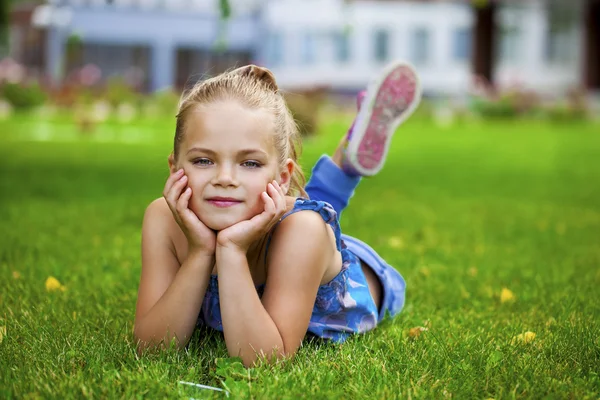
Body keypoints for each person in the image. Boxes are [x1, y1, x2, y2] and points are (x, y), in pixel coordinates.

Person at [134, 61, 422, 367]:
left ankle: (346, 162)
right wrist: (200, 252)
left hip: (344, 270)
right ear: (175, 168)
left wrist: (230, 250)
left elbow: (264, 360)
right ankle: (346, 160)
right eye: (204, 161)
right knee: (293, 211)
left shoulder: (302, 233)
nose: (225, 178)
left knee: (306, 219)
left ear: (282, 178)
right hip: (282, 224)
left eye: (250, 163)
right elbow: (151, 349)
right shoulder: (163, 219)